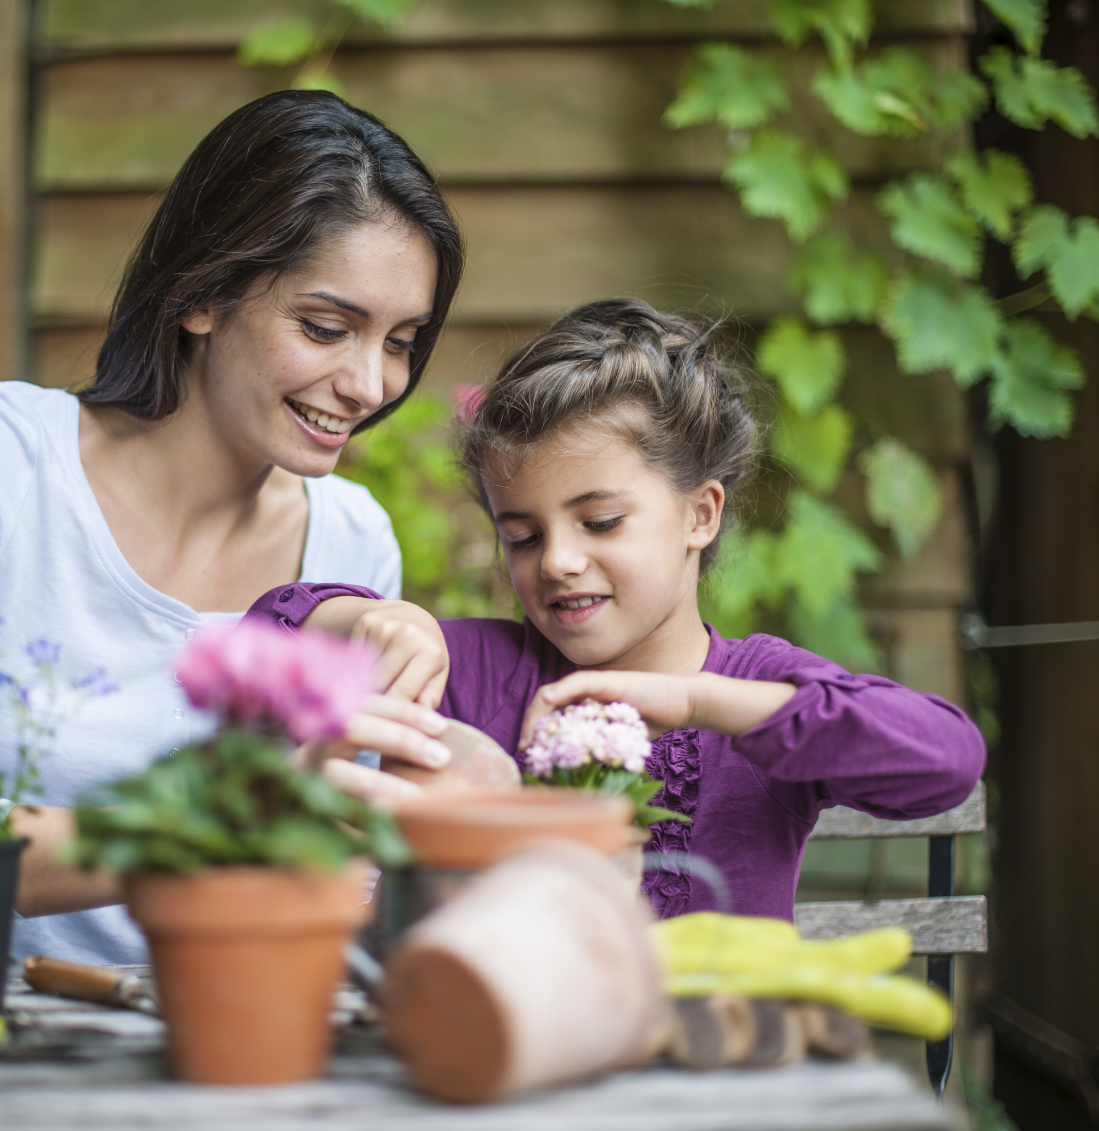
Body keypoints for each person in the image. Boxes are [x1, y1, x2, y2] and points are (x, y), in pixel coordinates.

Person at [0, 91, 476, 965]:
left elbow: (344, 866)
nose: (370, 386)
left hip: (235, 1045)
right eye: (327, 328)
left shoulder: (352, 545)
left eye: (402, 341)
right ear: (203, 294)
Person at [250, 298, 987, 920]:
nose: (558, 560)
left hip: (712, 1071)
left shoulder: (756, 688)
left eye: (600, 522)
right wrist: (367, 618)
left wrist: (698, 699)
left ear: (701, 515)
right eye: (523, 535)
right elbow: (258, 645)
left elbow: (947, 760)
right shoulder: (473, 670)